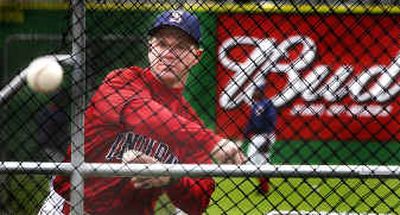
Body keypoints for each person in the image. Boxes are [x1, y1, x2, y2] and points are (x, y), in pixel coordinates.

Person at [42, 10, 244, 215]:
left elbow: (199, 201)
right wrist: (210, 141)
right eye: (162, 44)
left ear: (196, 56)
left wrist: (170, 177)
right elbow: (140, 113)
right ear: (150, 48)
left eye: (181, 47)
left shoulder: (189, 122)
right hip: (72, 206)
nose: (168, 54)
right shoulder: (121, 80)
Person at [244, 84, 277, 194]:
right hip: (257, 136)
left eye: (257, 91)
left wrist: (267, 139)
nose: (254, 93)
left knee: (261, 162)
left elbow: (271, 120)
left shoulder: (267, 104)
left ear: (261, 92)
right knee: (253, 162)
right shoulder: (255, 105)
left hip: (265, 136)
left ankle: (264, 187)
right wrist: (246, 133)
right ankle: (263, 185)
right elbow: (252, 123)